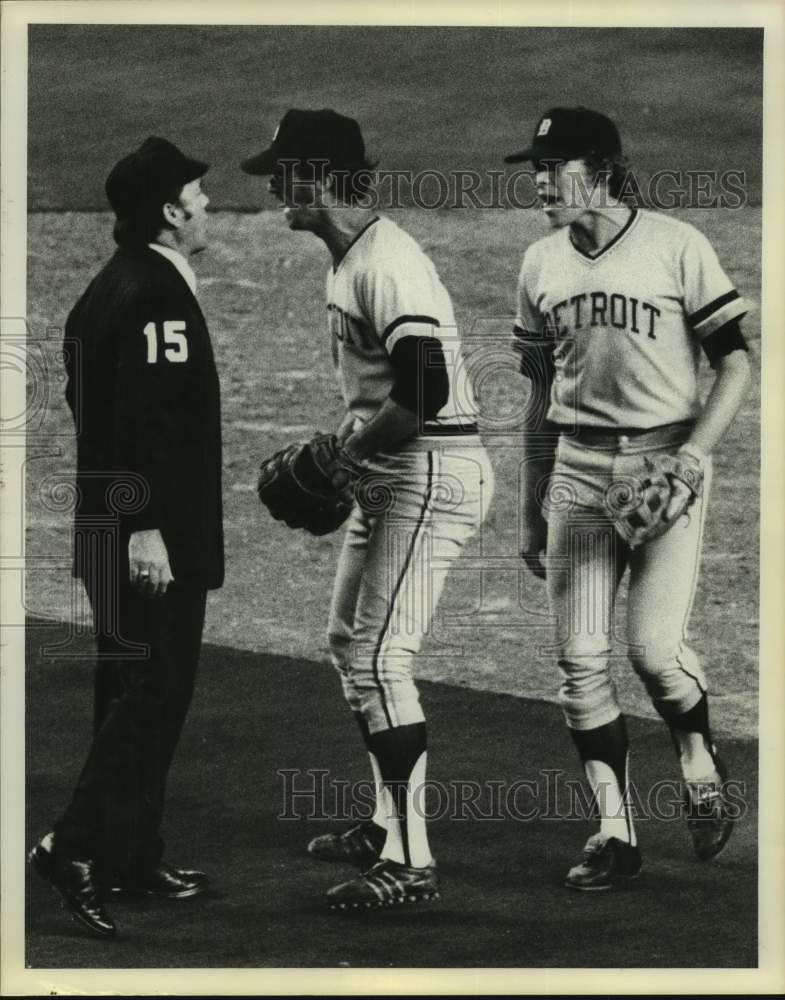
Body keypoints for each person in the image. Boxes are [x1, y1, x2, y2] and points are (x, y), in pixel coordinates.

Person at [242, 109, 494, 908]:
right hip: (395, 468)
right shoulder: (350, 259)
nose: (274, 187)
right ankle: (387, 825)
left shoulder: (387, 263)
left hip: (430, 470)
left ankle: (411, 862)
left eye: (283, 174)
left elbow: (427, 391)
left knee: (382, 661)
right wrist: (354, 454)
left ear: (317, 176)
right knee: (350, 644)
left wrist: (345, 456)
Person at [504, 107, 752, 890]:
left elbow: (736, 363)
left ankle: (696, 758)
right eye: (536, 168)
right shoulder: (539, 264)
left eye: (555, 167)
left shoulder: (675, 246)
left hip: (662, 465)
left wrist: (688, 460)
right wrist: (530, 501)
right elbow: (539, 397)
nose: (540, 182)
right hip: (576, 470)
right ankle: (613, 832)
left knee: (651, 651)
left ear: (602, 171)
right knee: (578, 659)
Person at [29, 137, 224, 938]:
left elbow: (93, 409)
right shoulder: (152, 296)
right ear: (171, 213)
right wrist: (144, 525)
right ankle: (72, 846)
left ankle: (131, 857)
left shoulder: (108, 288)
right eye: (198, 195)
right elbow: (139, 419)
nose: (210, 204)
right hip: (149, 537)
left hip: (108, 528)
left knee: (128, 687)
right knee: (154, 691)